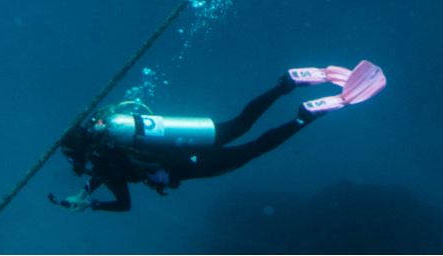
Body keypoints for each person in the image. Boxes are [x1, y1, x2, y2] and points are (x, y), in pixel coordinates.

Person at [49, 61, 386, 213]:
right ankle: (284, 86)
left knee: (254, 149)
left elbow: (123, 204)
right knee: (240, 123)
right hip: (189, 139)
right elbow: (102, 175)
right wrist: (86, 192)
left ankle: (305, 117)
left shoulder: (104, 165)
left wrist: (91, 203)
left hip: (192, 166)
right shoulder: (109, 144)